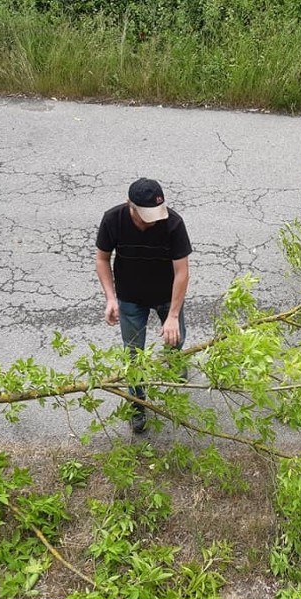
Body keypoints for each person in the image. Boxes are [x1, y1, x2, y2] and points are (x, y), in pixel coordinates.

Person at [95, 178, 192, 433]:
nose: (153, 220)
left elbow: (181, 272)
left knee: (176, 338)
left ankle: (175, 362)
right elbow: (102, 259)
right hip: (130, 297)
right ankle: (137, 404)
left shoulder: (173, 223)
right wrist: (110, 298)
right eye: (146, 215)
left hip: (166, 295)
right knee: (134, 353)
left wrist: (172, 315)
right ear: (130, 206)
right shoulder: (113, 220)